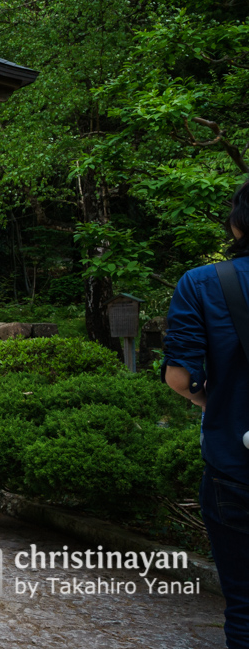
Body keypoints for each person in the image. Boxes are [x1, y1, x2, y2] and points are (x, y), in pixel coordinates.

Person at [165, 180, 249, 645]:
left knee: (244, 605)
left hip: (235, 463)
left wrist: (212, 402)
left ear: (239, 223)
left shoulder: (205, 282)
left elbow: (181, 377)